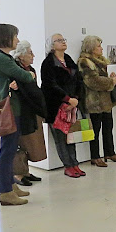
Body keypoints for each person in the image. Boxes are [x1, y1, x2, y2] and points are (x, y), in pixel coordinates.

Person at [0, 24, 36, 205]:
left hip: (13, 109)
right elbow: (25, 75)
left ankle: (10, 185)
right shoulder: (0, 58)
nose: (17, 40)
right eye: (15, 36)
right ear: (6, 38)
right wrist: (27, 75)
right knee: (7, 151)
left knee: (10, 149)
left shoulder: (3, 57)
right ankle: (5, 191)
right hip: (9, 110)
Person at [41, 33, 86, 178]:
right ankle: (68, 166)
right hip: (56, 107)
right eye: (58, 40)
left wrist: (76, 99)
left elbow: (79, 81)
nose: (63, 42)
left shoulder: (69, 60)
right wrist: (67, 99)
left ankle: (75, 163)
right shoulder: (48, 63)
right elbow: (49, 85)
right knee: (60, 138)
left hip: (72, 106)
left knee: (71, 137)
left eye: (63, 39)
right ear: (52, 45)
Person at [77, 35, 116, 168]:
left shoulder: (103, 61)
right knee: (95, 131)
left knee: (108, 128)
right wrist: (110, 81)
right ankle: (95, 156)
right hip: (95, 101)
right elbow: (92, 81)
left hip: (106, 100)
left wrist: (113, 77)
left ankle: (110, 153)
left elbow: (105, 78)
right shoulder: (84, 62)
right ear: (91, 47)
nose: (101, 48)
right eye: (98, 46)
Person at [11, 40, 46, 185]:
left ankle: (25, 171)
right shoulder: (15, 69)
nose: (33, 56)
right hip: (20, 111)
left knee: (29, 143)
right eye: (30, 53)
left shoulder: (30, 69)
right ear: (21, 55)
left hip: (31, 110)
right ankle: (18, 173)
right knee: (20, 142)